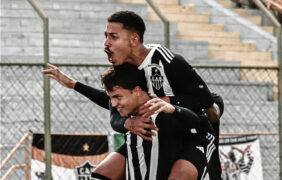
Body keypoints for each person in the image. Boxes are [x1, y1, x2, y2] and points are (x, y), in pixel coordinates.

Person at [42, 11, 224, 179]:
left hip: (190, 135)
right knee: (101, 174)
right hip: (153, 135)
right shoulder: (122, 69)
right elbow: (113, 106)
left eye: (113, 37)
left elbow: (205, 100)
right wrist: (128, 123)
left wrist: (167, 101)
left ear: (134, 40)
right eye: (106, 36)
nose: (106, 43)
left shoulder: (168, 61)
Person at [97, 63, 217, 180]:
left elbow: (199, 118)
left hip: (197, 139)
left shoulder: (166, 97)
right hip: (163, 141)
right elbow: (110, 111)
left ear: (137, 91)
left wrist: (174, 109)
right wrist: (128, 123)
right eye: (111, 98)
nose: (113, 104)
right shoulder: (131, 105)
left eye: (117, 97)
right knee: (101, 174)